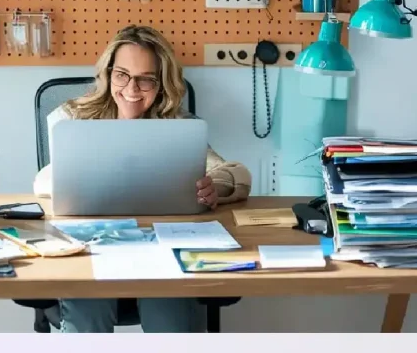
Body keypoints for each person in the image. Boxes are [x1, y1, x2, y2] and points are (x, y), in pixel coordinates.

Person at [32, 25, 252, 333]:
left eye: (146, 78)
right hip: (92, 243)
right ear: (108, 74)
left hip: (161, 246)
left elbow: (238, 173)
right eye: (122, 74)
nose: (132, 88)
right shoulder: (73, 117)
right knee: (87, 305)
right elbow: (41, 183)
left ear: (161, 84)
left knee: (169, 308)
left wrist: (216, 185)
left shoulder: (178, 125)